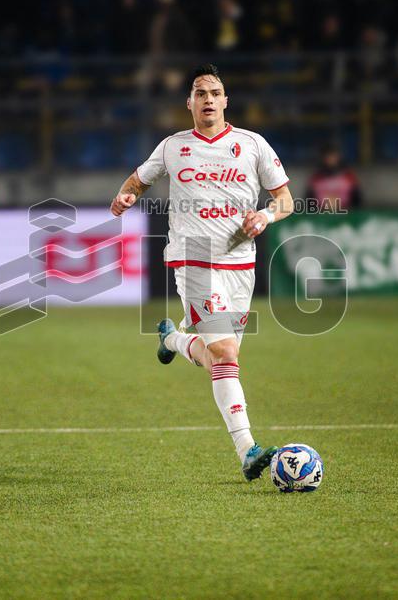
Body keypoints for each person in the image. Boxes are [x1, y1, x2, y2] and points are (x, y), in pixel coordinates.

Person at [109, 64, 294, 482]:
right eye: (200, 93)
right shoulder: (174, 147)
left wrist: (265, 216)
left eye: (215, 92)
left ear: (226, 101)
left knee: (217, 358)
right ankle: (248, 450)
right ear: (189, 103)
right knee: (226, 354)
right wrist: (125, 195)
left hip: (240, 264)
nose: (208, 99)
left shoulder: (252, 145)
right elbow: (138, 181)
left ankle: (172, 338)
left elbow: (285, 200)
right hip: (191, 258)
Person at [306, 144, 362, 211]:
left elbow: (357, 199)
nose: (331, 159)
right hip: (322, 215)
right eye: (328, 157)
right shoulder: (316, 178)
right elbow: (309, 201)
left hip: (346, 214)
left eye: (333, 156)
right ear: (323, 158)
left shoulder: (348, 176)